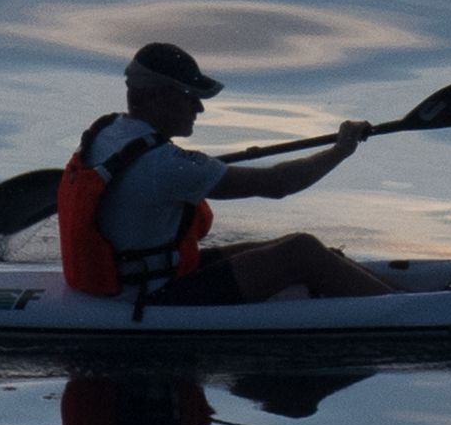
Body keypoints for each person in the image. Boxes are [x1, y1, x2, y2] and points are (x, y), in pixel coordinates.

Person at [51, 40, 397, 303]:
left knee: (309, 250)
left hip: (129, 277)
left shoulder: (107, 131)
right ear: (154, 98)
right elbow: (277, 184)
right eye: (190, 96)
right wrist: (341, 149)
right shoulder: (165, 166)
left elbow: (161, 172)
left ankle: (396, 294)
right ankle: (406, 307)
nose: (199, 108)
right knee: (302, 251)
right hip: (149, 297)